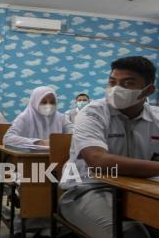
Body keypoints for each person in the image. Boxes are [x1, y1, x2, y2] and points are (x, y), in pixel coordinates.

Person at [59, 56, 159, 238]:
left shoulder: (156, 118)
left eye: (127, 83)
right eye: (112, 82)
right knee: (131, 235)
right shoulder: (92, 113)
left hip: (140, 189)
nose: (116, 89)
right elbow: (98, 161)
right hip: (89, 189)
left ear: (148, 90)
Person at [4, 86, 73, 146]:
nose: (48, 105)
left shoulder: (61, 118)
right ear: (35, 102)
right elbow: (7, 138)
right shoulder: (25, 117)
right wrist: (38, 142)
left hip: (57, 156)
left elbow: (75, 133)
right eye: (44, 102)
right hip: (29, 158)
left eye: (52, 102)